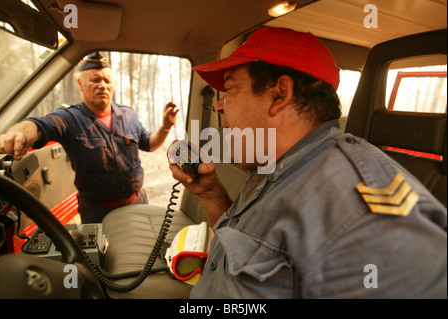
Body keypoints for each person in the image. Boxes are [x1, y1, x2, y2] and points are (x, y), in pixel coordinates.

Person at [168, 27, 447, 298]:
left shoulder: (356, 203)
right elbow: (246, 247)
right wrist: (211, 196)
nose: (218, 105)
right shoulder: (273, 167)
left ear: (279, 94)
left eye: (229, 89)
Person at [0, 52, 179, 223]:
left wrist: (166, 126)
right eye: (95, 80)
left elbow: (149, 144)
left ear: (113, 85)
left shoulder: (128, 114)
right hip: (97, 213)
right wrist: (20, 132)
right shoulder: (70, 118)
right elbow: (42, 125)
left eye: (107, 80)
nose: (102, 85)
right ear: (81, 84)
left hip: (137, 202)